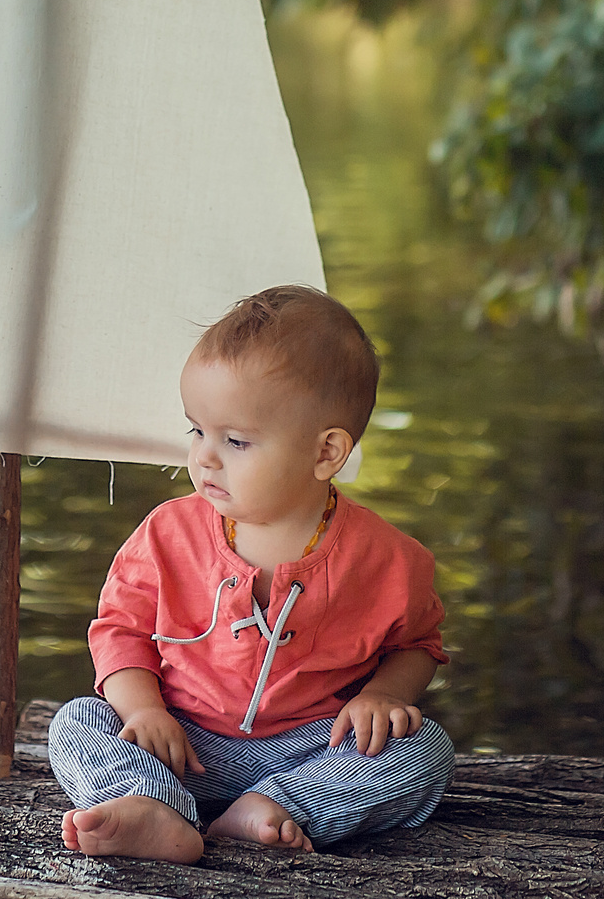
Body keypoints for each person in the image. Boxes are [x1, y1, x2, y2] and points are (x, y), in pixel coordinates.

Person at [49, 285, 454, 862]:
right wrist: (143, 710)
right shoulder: (167, 534)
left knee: (422, 750)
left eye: (235, 441)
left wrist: (385, 695)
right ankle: (152, 806)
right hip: (180, 741)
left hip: (310, 749)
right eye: (197, 431)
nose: (204, 457)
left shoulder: (387, 560)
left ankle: (275, 807)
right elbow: (120, 630)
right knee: (78, 721)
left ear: (326, 453)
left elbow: (416, 644)